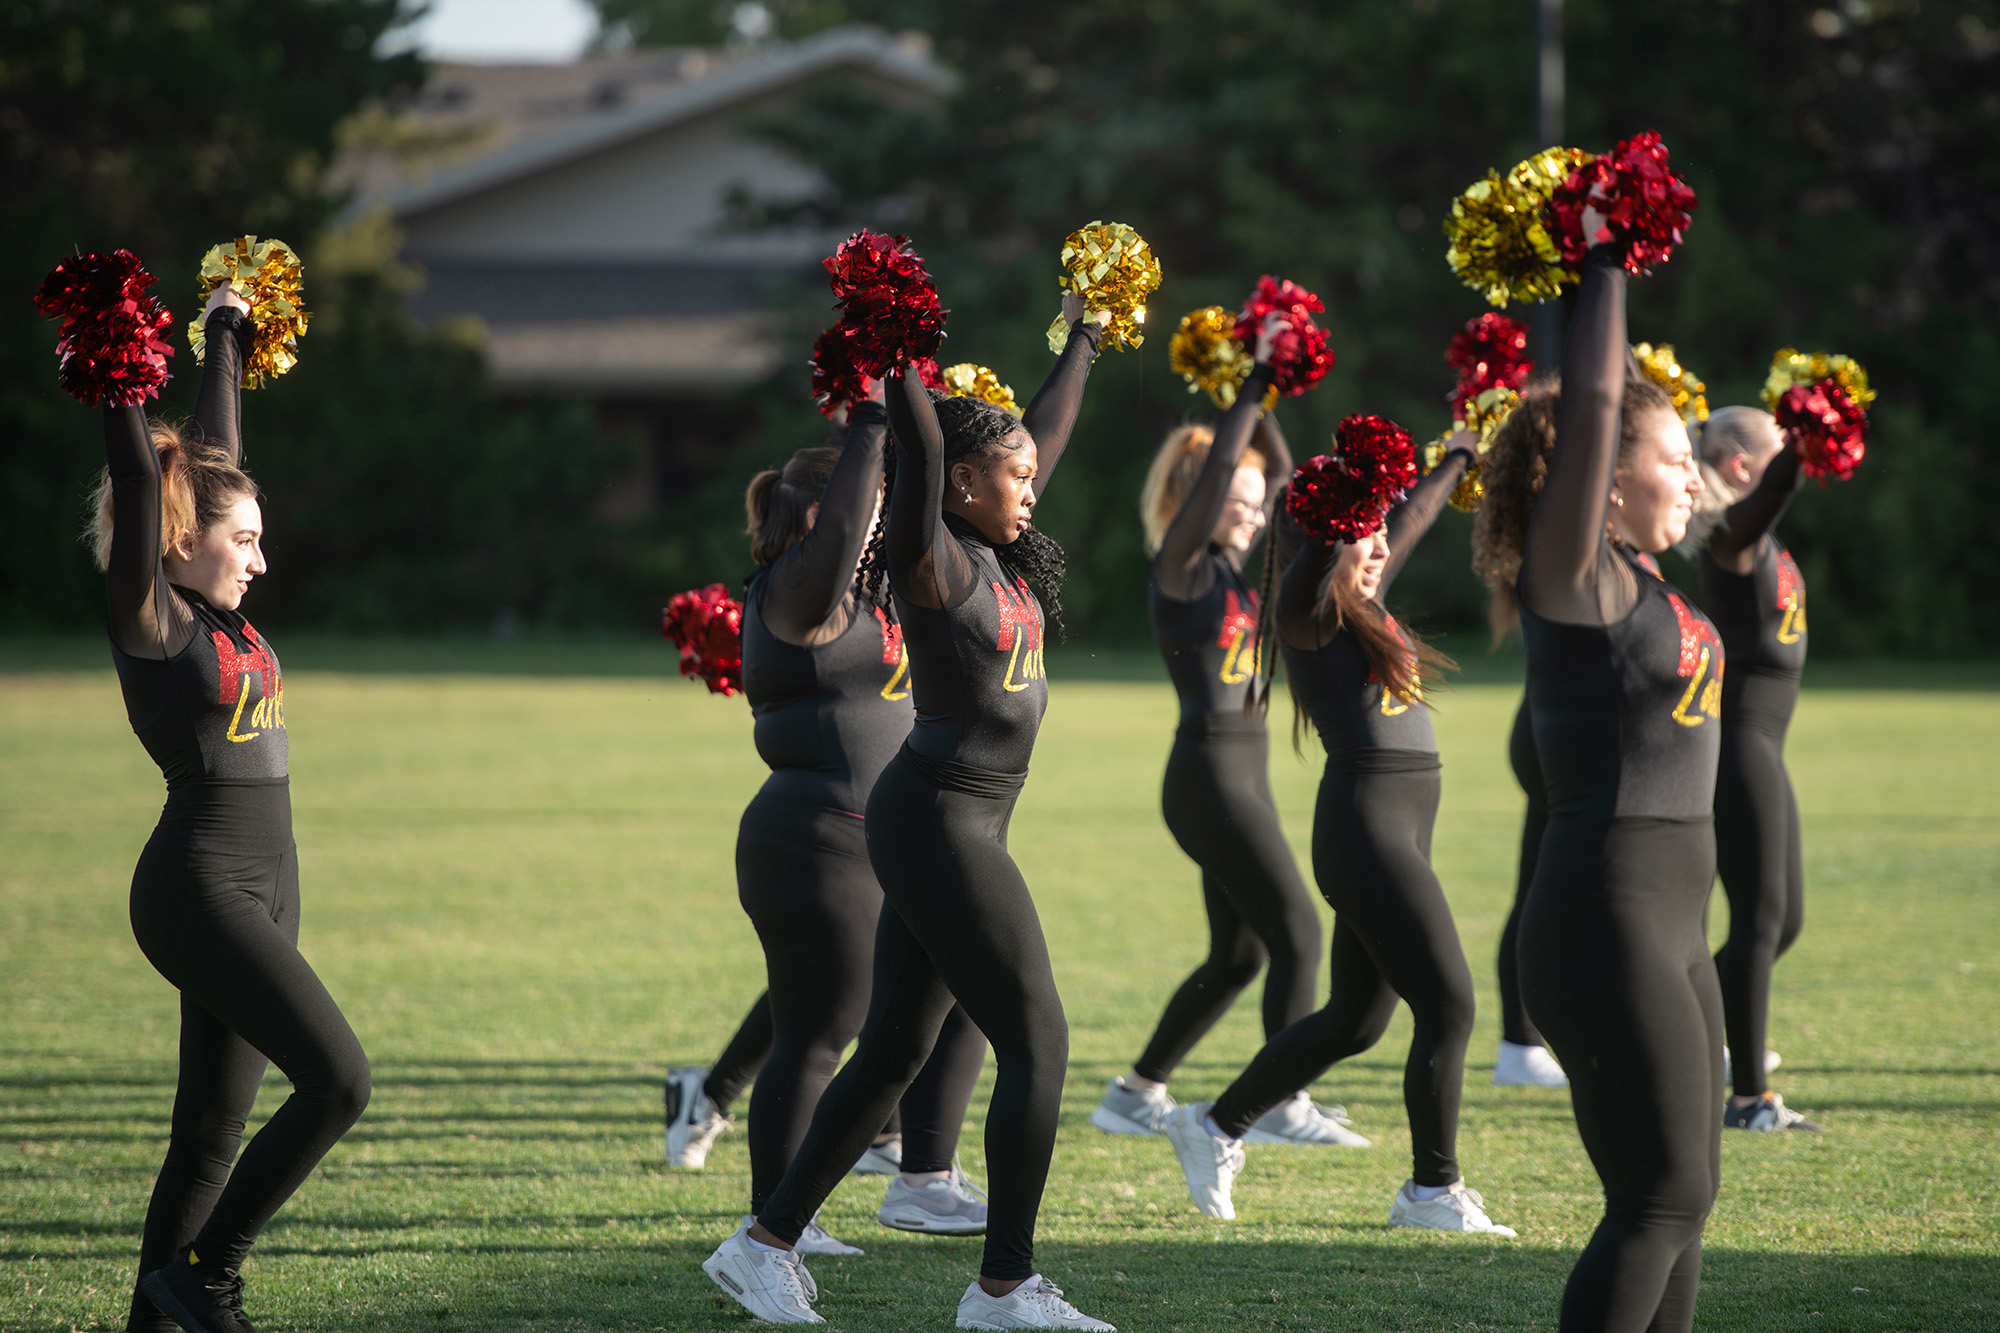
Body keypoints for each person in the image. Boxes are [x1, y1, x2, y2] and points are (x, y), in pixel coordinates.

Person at [703, 292, 1116, 1330]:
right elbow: (931, 455)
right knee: (1038, 1041)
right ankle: (1005, 1288)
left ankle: (762, 1245)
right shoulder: (931, 557)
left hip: (951, 819)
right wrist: (897, 362)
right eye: (1011, 474)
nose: (1032, 485)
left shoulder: (998, 549)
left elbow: (1040, 438)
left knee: (892, 1048)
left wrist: (1083, 342)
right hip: (938, 820)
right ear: (961, 481)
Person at [92, 282, 372, 1333]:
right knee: (339, 1081)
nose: (260, 556)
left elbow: (210, 449)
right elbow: (141, 469)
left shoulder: (219, 607)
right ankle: (211, 1274)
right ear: (177, 543)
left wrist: (219, 335)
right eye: (243, 538)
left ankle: (157, 1317)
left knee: (210, 1134)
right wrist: (117, 367)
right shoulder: (153, 617)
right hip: (198, 887)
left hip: (270, 883)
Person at [1162, 420, 1513, 1236]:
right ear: (1325, 537)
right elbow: (1324, 547)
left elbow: (1414, 521)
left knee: (1358, 1019)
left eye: (1380, 532)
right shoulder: (1307, 609)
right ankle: (1432, 1189)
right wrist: (1343, 497)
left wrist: (1453, 453)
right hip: (1367, 834)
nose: (1381, 545)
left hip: (1395, 831)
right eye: (1364, 534)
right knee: (1451, 1004)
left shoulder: (1365, 603)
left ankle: (1212, 1124)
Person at [1479, 210, 1722, 1331]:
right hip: (1603, 918)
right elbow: (1583, 407)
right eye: (1675, 459)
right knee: (1654, 1198)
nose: (1694, 480)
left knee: (1686, 1197)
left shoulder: (1642, 576)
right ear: (1606, 476)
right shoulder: (1572, 577)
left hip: (1674, 922)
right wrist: (1604, 256)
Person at [1091, 317, 1365, 1149]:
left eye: (1254, 508)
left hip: (1237, 779)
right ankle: (1280, 1103)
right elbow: (1222, 474)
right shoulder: (1179, 568)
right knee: (1299, 932)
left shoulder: (1235, 574)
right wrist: (1243, 389)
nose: (1252, 517)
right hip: (1209, 778)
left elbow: (1278, 474)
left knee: (1243, 953)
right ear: (1194, 502)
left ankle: (1135, 1092)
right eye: (1236, 505)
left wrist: (1260, 379)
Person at [1685, 406, 1822, 1133]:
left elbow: (1773, 499)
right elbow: (1774, 494)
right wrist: (1808, 443)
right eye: (1774, 449)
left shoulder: (1755, 535)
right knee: (1762, 920)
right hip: (1738, 746)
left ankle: (1700, 1028)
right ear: (1743, 465)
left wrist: (1799, 445)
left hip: (1762, 747)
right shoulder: (1731, 536)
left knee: (1781, 919)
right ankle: (1746, 1098)